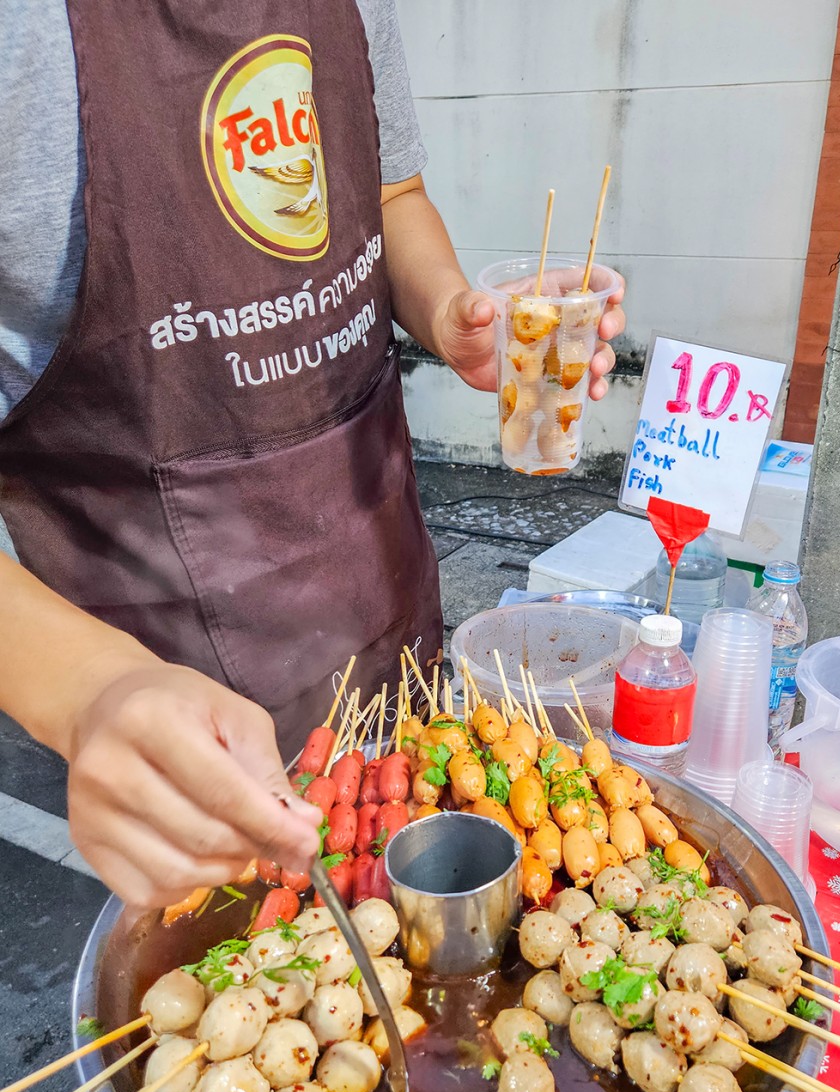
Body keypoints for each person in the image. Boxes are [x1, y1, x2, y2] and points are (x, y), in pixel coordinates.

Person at [0, 0, 625, 910]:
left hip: (378, 574)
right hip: (157, 695)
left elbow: (387, 191)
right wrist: (87, 691)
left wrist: (454, 313)